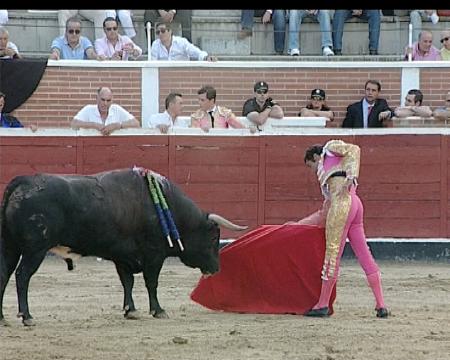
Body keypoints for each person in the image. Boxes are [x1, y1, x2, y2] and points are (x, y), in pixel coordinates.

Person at [302, 140, 388, 318]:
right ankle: (381, 305)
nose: (312, 170)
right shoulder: (327, 173)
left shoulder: (330, 148)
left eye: (311, 165)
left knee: (332, 253)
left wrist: (350, 176)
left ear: (315, 156)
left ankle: (322, 304)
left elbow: (354, 149)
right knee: (365, 254)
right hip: (355, 203)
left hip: (343, 204)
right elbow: (325, 208)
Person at [71, 87, 139, 136]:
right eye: (103, 100)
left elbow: (136, 123)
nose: (105, 103)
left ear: (112, 100)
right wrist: (94, 125)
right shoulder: (88, 109)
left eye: (108, 100)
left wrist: (117, 125)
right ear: (97, 99)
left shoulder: (116, 109)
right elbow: (74, 123)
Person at [150, 22, 217, 61]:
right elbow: (152, 63)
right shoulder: (155, 44)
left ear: (170, 31)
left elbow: (196, 52)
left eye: (163, 31)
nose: (160, 34)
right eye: (158, 32)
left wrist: (206, 57)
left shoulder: (181, 42)